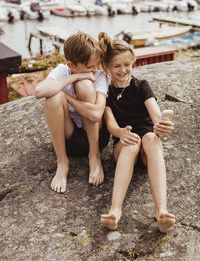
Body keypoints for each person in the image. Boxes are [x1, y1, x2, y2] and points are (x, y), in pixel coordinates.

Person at [98, 32, 175, 233]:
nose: (123, 70)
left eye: (127, 65)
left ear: (133, 62)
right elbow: (111, 125)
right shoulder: (105, 93)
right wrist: (120, 133)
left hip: (147, 149)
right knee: (132, 142)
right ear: (107, 67)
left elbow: (156, 115)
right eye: (117, 66)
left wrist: (162, 124)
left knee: (150, 137)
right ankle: (115, 210)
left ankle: (162, 211)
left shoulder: (141, 86)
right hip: (124, 146)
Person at [34, 32, 110, 193]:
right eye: (89, 67)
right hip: (70, 139)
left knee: (85, 85)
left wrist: (67, 94)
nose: (94, 70)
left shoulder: (98, 75)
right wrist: (74, 78)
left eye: (96, 65)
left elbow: (96, 114)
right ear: (71, 65)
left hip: (96, 136)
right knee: (52, 99)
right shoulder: (63, 71)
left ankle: (94, 157)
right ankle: (62, 163)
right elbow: (39, 91)